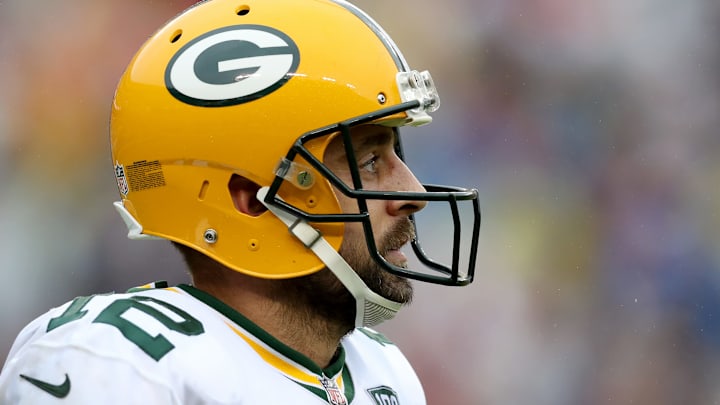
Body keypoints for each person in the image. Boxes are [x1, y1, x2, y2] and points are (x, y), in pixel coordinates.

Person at [0, 0, 480, 403]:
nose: (413, 192)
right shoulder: (117, 363)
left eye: (396, 151)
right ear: (250, 199)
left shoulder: (383, 372)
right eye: (369, 161)